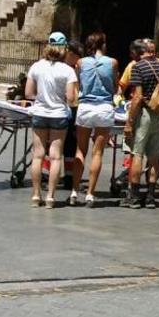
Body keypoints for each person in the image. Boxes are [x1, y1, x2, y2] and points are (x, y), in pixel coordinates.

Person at [25, 31, 78, 209]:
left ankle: (35, 195)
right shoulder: (68, 70)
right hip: (59, 115)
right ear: (64, 48)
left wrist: (41, 97)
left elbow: (28, 93)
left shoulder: (36, 67)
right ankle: (50, 197)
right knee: (56, 157)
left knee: (38, 155)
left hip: (40, 113)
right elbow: (71, 99)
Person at [123, 40, 159, 209]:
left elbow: (137, 97)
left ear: (140, 52)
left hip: (144, 114)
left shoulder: (138, 67)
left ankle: (134, 196)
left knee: (137, 153)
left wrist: (130, 122)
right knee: (154, 157)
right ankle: (151, 197)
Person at [71, 32, 119, 208]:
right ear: (103, 44)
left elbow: (78, 83)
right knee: (97, 152)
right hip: (104, 107)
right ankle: (90, 193)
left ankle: (74, 190)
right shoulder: (112, 62)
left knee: (80, 150)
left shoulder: (81, 62)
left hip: (85, 106)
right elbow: (115, 85)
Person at [62, 39, 84, 202]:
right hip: (65, 108)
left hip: (73, 108)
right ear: (70, 54)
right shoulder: (66, 69)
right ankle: (46, 175)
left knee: (70, 144)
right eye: (78, 56)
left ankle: (69, 177)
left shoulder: (76, 68)